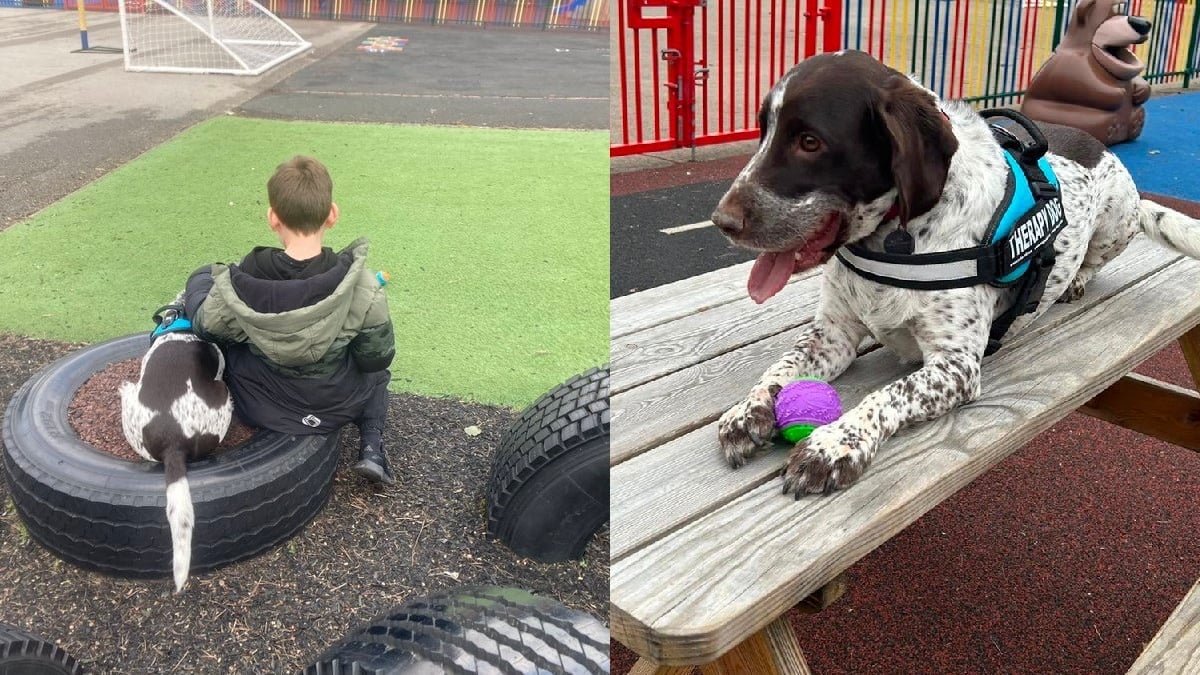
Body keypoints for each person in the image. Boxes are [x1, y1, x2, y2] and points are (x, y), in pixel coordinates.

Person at [181, 155, 396, 485]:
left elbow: (205, 326)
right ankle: (371, 447)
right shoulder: (364, 286)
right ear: (332, 215)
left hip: (262, 404)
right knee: (378, 375)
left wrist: (199, 280)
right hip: (337, 404)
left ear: (272, 218)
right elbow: (375, 358)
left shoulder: (241, 283)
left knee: (229, 349)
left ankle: (370, 446)